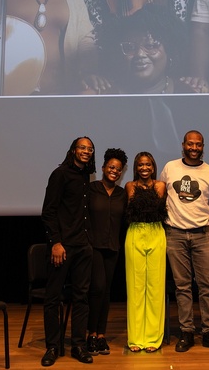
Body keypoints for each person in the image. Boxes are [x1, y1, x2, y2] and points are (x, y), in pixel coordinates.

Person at [160, 130, 209, 352]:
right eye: (190, 144)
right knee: (182, 287)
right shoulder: (170, 168)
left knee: (207, 287)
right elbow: (160, 196)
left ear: (203, 146)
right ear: (183, 145)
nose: (194, 147)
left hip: (203, 235)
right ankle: (187, 332)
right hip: (175, 234)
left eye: (198, 144)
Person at [40, 136, 97, 366]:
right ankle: (53, 347)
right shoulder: (60, 174)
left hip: (83, 246)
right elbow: (48, 211)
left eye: (90, 149)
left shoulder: (86, 176)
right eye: (82, 148)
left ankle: (78, 346)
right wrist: (55, 242)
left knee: (81, 298)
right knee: (53, 298)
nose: (86, 151)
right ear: (73, 150)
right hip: (62, 247)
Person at [82, 4, 202, 94]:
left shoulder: (190, 92)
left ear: (169, 51)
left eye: (150, 46)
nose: (139, 54)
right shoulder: (103, 93)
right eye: (130, 47)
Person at [124, 151, 168, 353]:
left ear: (153, 167)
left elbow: (153, 208)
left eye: (148, 165)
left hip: (155, 231)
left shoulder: (160, 186)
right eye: (141, 165)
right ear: (136, 167)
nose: (144, 168)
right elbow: (134, 208)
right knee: (135, 288)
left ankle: (152, 338)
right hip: (135, 232)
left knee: (155, 287)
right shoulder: (129, 186)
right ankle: (135, 338)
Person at [86, 148, 128, 357]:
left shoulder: (122, 194)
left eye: (118, 169)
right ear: (103, 168)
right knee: (97, 288)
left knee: (106, 292)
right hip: (92, 247)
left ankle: (101, 335)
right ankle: (90, 334)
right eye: (111, 167)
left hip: (113, 248)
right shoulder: (92, 189)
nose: (114, 171)